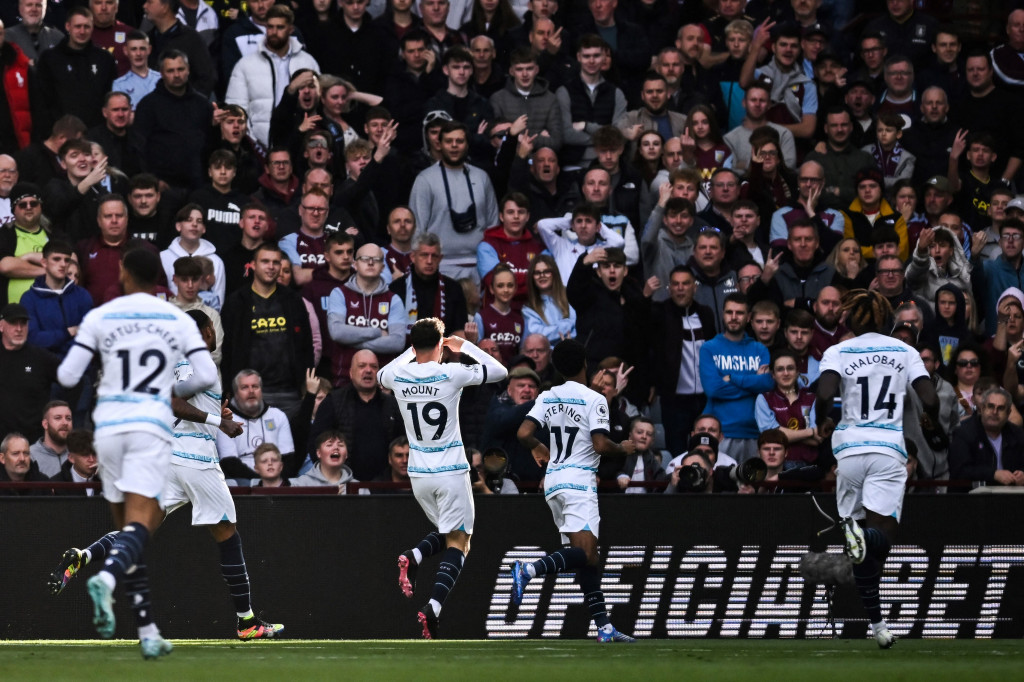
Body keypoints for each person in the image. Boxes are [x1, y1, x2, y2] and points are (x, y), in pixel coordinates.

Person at [48, 309, 283, 640]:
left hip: (167, 460)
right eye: (209, 330)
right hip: (196, 460)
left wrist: (217, 410)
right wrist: (221, 422)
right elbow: (172, 402)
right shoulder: (200, 364)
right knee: (228, 534)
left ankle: (84, 556)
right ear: (202, 333)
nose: (212, 335)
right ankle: (247, 623)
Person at [54, 248, 217, 657]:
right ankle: (107, 577)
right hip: (147, 428)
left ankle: (147, 632)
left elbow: (67, 374)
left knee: (130, 529)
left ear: (124, 274)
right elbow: (208, 374)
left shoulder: (101, 316)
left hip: (108, 429)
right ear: (159, 279)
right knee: (141, 526)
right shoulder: (177, 319)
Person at [814, 288, 940, 650]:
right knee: (880, 543)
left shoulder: (837, 351)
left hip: (850, 450)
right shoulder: (905, 351)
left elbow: (824, 394)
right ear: (888, 321)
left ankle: (879, 625)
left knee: (859, 551)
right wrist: (932, 424)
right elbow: (929, 398)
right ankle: (864, 538)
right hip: (887, 450)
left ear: (851, 320)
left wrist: (824, 421)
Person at [379, 317, 507, 639]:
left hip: (419, 473)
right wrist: (462, 346)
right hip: (450, 469)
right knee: (460, 540)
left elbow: (382, 375)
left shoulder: (398, 374)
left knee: (446, 531)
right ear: (440, 345)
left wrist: (411, 353)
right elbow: (500, 372)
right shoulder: (452, 371)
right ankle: (433, 606)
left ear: (412, 345)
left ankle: (416, 555)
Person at [512, 338, 637, 643]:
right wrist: (623, 448)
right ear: (585, 364)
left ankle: (604, 627)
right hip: (580, 483)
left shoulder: (548, 395)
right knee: (586, 552)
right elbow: (600, 444)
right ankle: (529, 569)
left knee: (588, 559)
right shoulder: (595, 399)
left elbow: (523, 432)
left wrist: (540, 447)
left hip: (554, 482)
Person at [220, 243, 314, 420]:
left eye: (275, 262)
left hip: (288, 392)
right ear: (253, 265)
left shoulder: (293, 300)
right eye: (265, 261)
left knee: (290, 447)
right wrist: (228, 388)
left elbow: (306, 345)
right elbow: (227, 349)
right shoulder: (236, 301)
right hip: (248, 391)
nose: (271, 267)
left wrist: (304, 385)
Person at [409, 120, 499, 281]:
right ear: (439, 144)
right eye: (449, 141)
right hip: (439, 265)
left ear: (467, 144)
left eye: (459, 141)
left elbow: (493, 224)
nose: (454, 145)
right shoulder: (425, 179)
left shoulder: (482, 177)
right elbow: (417, 228)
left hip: (480, 265)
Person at [225, 5, 320, 148]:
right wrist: (254, 146)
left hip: (300, 145)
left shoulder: (307, 62)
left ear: (291, 29)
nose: (274, 32)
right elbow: (236, 108)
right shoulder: (245, 65)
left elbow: (318, 105)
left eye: (280, 27)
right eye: (270, 27)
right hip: (258, 147)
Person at [698, 292, 774, 463]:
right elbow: (713, 389)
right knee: (722, 486)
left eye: (739, 313)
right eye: (729, 312)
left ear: (748, 318)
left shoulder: (760, 349)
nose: (733, 317)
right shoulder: (709, 348)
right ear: (723, 314)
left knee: (751, 487)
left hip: (755, 432)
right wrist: (753, 382)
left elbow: (767, 384)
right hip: (721, 433)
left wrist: (731, 378)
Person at [0, 302, 59, 444]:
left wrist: (60, 413)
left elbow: (73, 381)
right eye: (14, 323)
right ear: (1, 326)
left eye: (23, 323)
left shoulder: (41, 358)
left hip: (33, 441)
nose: (19, 329)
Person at [949, 385, 1024, 490]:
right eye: (990, 406)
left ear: (1008, 413)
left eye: (1001, 408)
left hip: (1010, 496)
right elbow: (959, 471)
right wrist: (993, 474)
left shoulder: (1017, 434)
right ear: (982, 409)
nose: (994, 412)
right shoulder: (964, 432)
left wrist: (1022, 474)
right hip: (972, 497)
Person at [522, 254, 575, 343]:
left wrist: (549, 331)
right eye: (537, 273)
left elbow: (578, 327)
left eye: (547, 271)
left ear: (554, 273)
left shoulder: (570, 296)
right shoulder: (528, 308)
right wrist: (567, 324)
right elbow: (538, 336)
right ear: (532, 277)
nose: (542, 275)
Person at [29, 400, 72, 478]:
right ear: (45, 424)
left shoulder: (78, 454)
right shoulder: (29, 456)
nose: (65, 422)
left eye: (68, 418)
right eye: (58, 418)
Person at [49, 428, 100, 495]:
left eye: (94, 454)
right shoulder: (55, 485)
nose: (91, 459)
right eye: (85, 455)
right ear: (71, 458)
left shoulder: (106, 479)